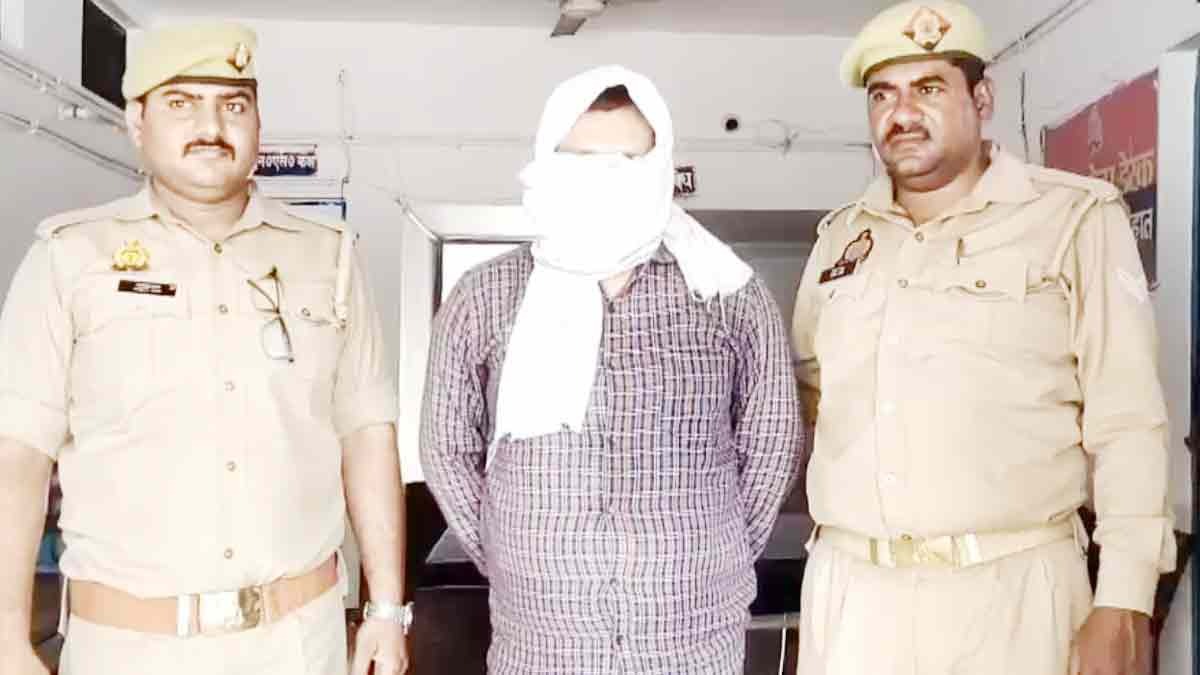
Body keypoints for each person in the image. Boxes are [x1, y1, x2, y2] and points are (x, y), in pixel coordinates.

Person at [0, 22, 410, 675]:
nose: (211, 126)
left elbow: (368, 435)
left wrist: (386, 609)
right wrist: (6, 640)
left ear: (257, 123)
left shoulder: (329, 258)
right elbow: (18, 457)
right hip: (128, 649)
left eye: (233, 105)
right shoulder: (68, 258)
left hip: (297, 645)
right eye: (181, 103)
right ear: (137, 122)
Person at [791, 2, 1174, 673]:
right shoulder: (840, 240)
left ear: (982, 99)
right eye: (882, 95)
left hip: (1011, 593)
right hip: (854, 596)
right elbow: (811, 391)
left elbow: (1128, 420)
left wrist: (1124, 597)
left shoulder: (1072, 218)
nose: (902, 114)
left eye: (928, 88)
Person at [420, 65, 803, 673]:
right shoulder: (485, 295)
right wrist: (507, 549)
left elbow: (772, 439)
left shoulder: (728, 293)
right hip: (541, 643)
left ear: (662, 168)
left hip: (693, 642)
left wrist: (715, 551)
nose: (604, 182)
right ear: (547, 165)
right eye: (581, 163)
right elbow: (445, 446)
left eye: (627, 162)